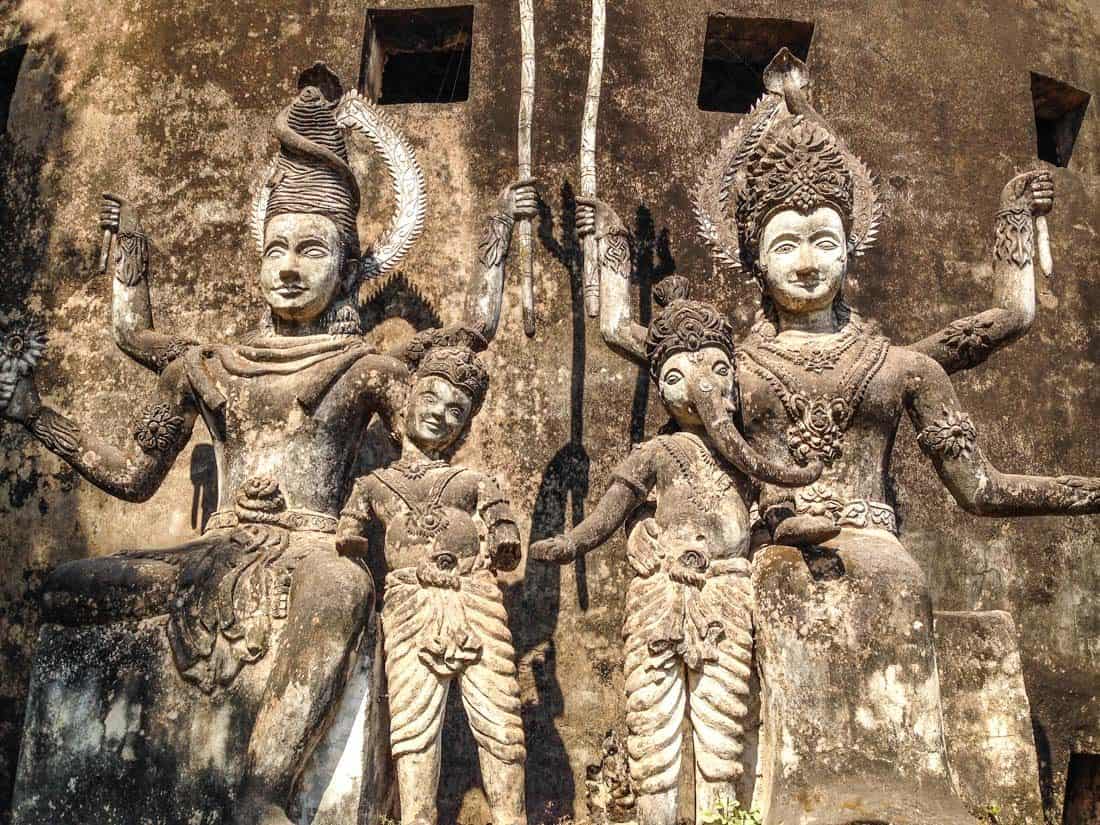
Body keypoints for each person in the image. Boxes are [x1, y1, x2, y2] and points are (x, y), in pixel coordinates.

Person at [1, 67, 537, 825]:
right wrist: (36, 414)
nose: (288, 266)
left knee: (343, 591)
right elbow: (130, 472)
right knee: (71, 585)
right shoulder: (206, 363)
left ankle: (265, 787)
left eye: (311, 251)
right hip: (212, 548)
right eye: (276, 247)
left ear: (347, 266)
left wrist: (495, 251)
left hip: (312, 546)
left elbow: (459, 352)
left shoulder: (363, 367)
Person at [530, 276, 816, 825]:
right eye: (676, 377)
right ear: (662, 389)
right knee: (654, 722)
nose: (698, 389)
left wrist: (794, 524)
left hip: (727, 590)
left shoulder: (748, 452)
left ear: (734, 384)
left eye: (715, 370)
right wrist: (572, 542)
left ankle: (720, 817)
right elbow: (609, 511)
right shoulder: (656, 451)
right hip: (661, 592)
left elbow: (779, 504)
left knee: (722, 721)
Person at [337, 345, 526, 825]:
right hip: (409, 602)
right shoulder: (373, 484)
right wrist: (349, 537)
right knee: (414, 725)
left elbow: (502, 522)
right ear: (408, 401)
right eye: (432, 399)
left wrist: (503, 536)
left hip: (473, 595)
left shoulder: (472, 479)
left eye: (456, 411)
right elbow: (350, 529)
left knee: (501, 720)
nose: (442, 416)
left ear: (466, 425)